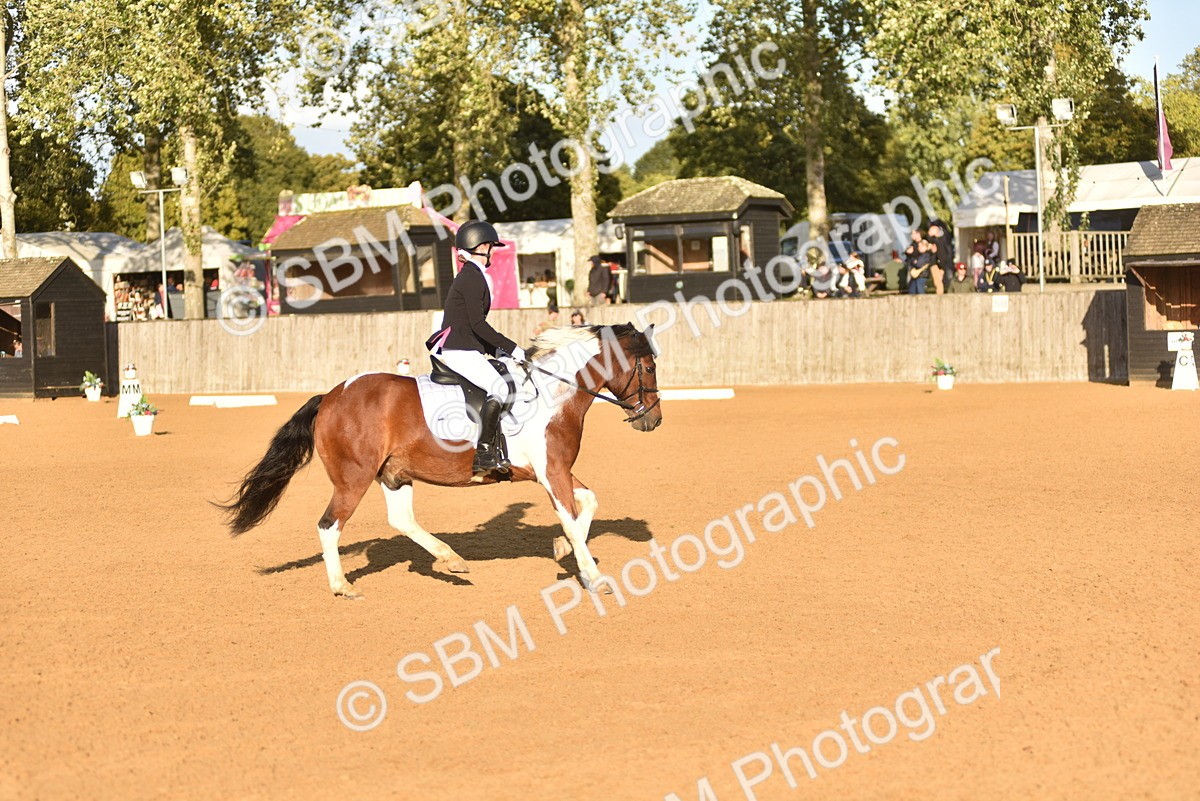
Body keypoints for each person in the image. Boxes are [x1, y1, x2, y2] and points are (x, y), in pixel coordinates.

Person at [430, 220, 526, 474]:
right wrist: (513, 348)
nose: (492, 251)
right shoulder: (472, 277)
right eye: (491, 246)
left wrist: (498, 351)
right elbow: (478, 324)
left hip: (465, 345)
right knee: (500, 387)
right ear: (481, 246)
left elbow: (472, 327)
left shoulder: (472, 276)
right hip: (459, 350)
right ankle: (484, 452)